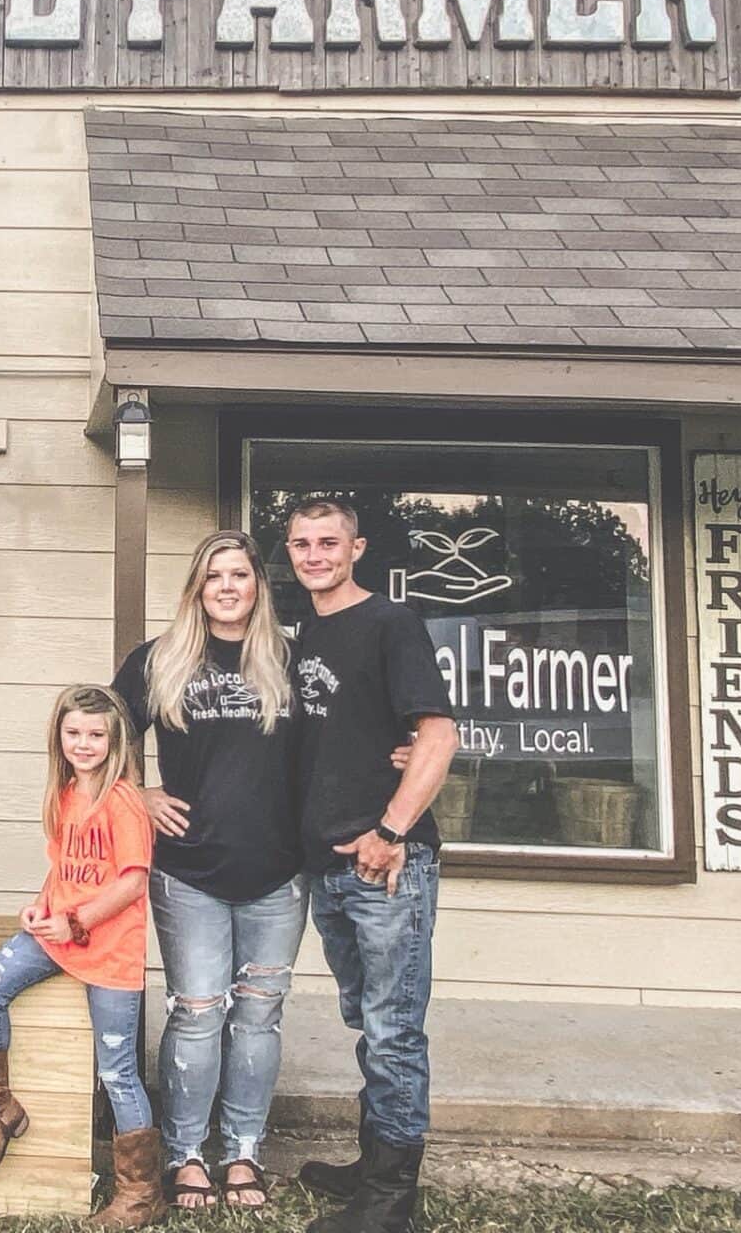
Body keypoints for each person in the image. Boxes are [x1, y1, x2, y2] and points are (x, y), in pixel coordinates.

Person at [110, 529, 302, 1211]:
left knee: (258, 1015)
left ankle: (244, 1152)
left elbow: (340, 744)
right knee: (195, 1012)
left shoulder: (290, 659)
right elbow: (98, 736)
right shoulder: (158, 660)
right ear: (196, 586)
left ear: (258, 586)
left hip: (278, 871)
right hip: (189, 871)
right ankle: (186, 1154)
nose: (227, 587)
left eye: (240, 575)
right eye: (214, 575)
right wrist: (138, 792)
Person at [285, 499, 459, 1233]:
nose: (315, 554)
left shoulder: (391, 622)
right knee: (369, 1019)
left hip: (386, 864)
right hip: (327, 865)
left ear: (356, 548)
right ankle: (373, 1162)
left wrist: (390, 830)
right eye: (301, 543)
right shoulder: (302, 636)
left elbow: (439, 734)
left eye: (329, 542)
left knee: (394, 1030)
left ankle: (390, 1202)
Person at [0, 685, 164, 1230]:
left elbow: (132, 883)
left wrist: (76, 921)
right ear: (59, 736)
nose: (84, 743)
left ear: (115, 740)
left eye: (96, 734)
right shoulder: (65, 793)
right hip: (57, 934)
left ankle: (140, 1195)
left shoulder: (123, 801)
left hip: (109, 949)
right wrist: (41, 906)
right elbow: (64, 868)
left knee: (117, 1071)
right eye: (74, 733)